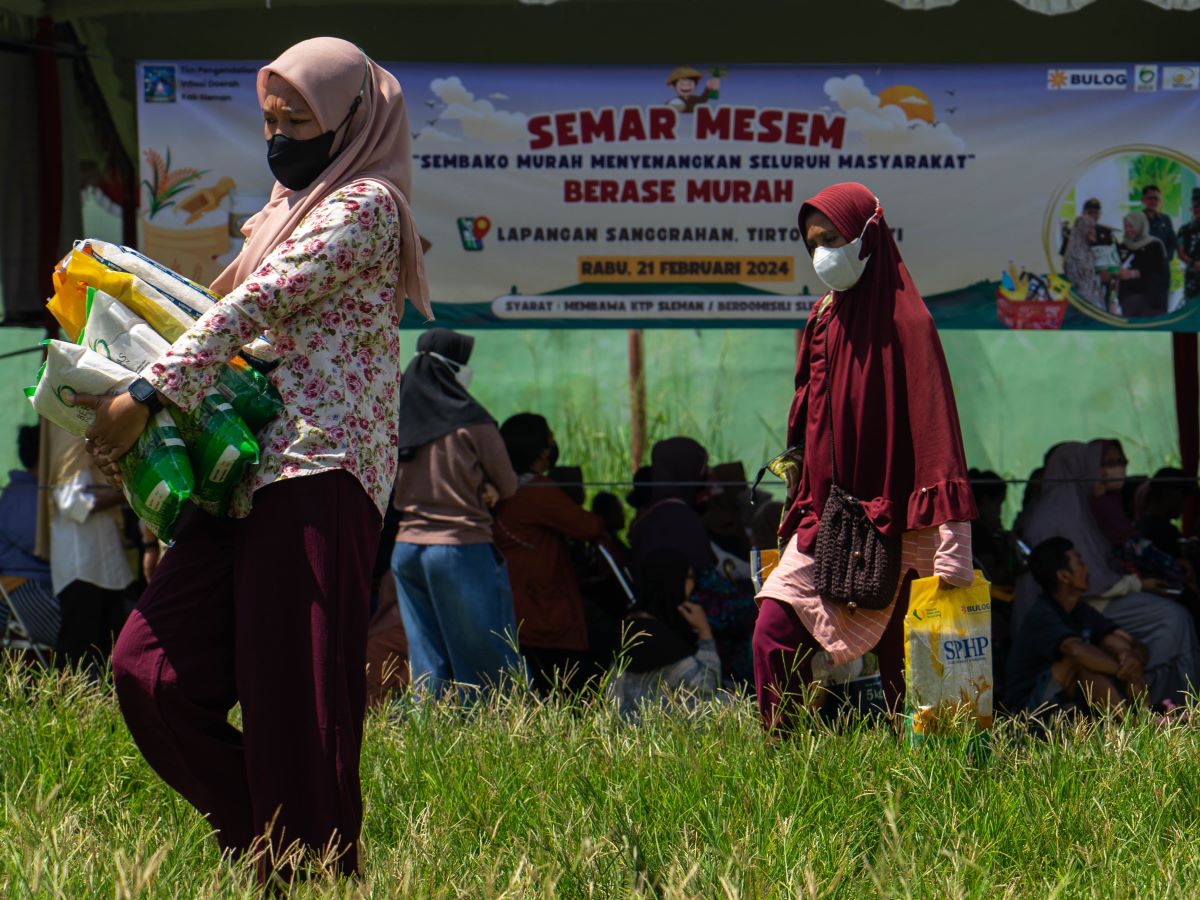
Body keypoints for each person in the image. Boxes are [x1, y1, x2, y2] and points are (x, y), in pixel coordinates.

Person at [82, 38, 430, 879]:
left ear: (354, 118)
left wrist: (147, 395)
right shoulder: (283, 207)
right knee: (147, 669)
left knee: (294, 697)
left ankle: (306, 869)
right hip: (239, 471)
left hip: (318, 469)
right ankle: (277, 839)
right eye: (270, 120)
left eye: (298, 119)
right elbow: (210, 311)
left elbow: (252, 305)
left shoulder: (367, 204)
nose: (278, 135)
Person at [753, 182, 978, 735]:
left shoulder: (910, 324)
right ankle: (779, 764)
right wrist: (797, 505)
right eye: (812, 244)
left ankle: (942, 792)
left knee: (917, 676)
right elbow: (808, 426)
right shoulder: (823, 320)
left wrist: (952, 534)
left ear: (867, 234)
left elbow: (935, 429)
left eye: (831, 238)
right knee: (772, 629)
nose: (822, 253)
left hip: (905, 522)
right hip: (828, 520)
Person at [1014, 442, 1198, 707]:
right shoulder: (1064, 506)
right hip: (1036, 703)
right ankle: (1167, 706)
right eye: (1102, 464)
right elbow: (1076, 646)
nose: (1103, 472)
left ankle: (1148, 719)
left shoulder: (1078, 501)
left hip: (1091, 600)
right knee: (1171, 619)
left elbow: (1123, 639)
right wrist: (1122, 667)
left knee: (1123, 647)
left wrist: (1131, 657)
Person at [391, 328, 522, 697]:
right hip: (460, 549)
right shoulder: (471, 421)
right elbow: (509, 484)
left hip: (406, 551)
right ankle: (489, 742)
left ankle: (427, 736)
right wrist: (487, 487)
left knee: (426, 665)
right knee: (483, 667)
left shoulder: (396, 419)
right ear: (452, 370)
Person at [495, 413, 616, 695]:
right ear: (541, 450)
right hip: (542, 607)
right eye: (549, 440)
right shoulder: (537, 490)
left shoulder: (503, 487)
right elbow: (588, 526)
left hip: (515, 601)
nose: (553, 446)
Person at [630, 437, 759, 687]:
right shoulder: (679, 519)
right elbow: (707, 589)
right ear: (686, 471)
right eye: (700, 469)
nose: (705, 477)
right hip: (694, 637)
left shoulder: (648, 518)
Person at [1006, 537, 1148, 717]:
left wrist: (1132, 658)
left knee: (1124, 654)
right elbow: (1075, 651)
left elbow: (1127, 642)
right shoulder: (1041, 614)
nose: (1086, 568)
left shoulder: (1080, 610)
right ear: (1064, 576)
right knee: (1081, 660)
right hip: (1029, 714)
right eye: (1079, 562)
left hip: (1065, 704)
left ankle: (1143, 717)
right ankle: (1133, 725)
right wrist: (1123, 670)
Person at [42, 426, 132, 673]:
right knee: (76, 646)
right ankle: (61, 705)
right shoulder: (68, 440)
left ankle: (102, 705)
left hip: (107, 562)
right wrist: (125, 493)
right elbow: (74, 504)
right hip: (80, 561)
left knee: (109, 645)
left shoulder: (89, 443)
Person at [608, 548, 723, 714]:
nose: (693, 584)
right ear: (672, 580)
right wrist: (705, 634)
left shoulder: (629, 626)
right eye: (689, 577)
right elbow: (708, 689)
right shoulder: (657, 639)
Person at [1118, 211, 1170, 318]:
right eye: (1126, 226)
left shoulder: (1154, 245)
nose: (1128, 230)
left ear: (1140, 225)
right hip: (1128, 300)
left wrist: (1133, 274)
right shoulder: (1122, 246)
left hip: (1151, 301)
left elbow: (1159, 272)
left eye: (1131, 226)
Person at [1062, 210, 1111, 310]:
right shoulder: (1074, 254)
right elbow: (1078, 282)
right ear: (1081, 229)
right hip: (1083, 303)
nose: (1094, 231)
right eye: (1090, 228)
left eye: (1094, 228)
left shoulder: (1089, 251)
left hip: (1095, 299)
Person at [1176, 189, 1200, 302]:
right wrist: (1193, 263)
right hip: (1192, 276)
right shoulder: (1184, 229)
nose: (1198, 209)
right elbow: (1180, 253)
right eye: (1195, 206)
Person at [1142, 184, 1176, 262]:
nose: (1153, 201)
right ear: (1143, 200)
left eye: (1156, 198)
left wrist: (1166, 257)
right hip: (1144, 265)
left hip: (1163, 265)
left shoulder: (1166, 219)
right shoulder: (1137, 219)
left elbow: (1172, 241)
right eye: (1150, 198)